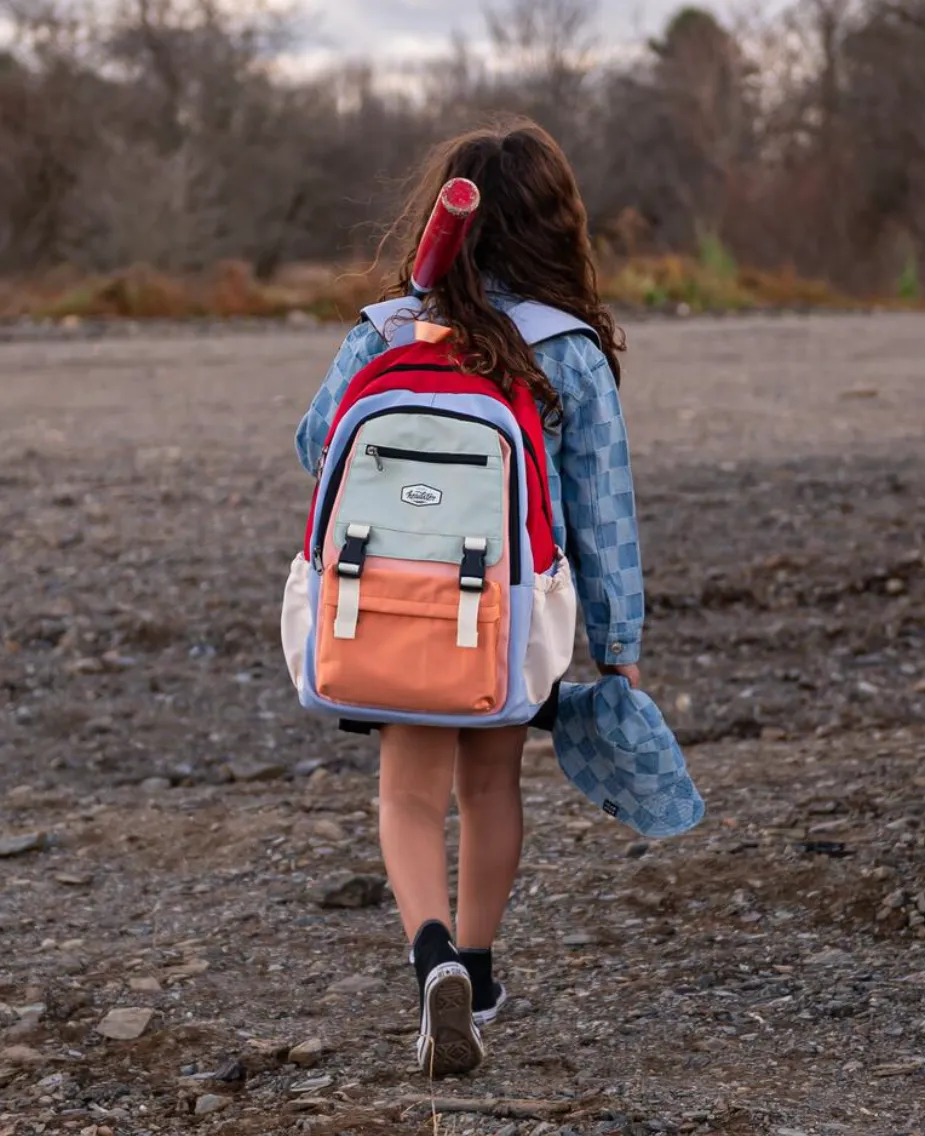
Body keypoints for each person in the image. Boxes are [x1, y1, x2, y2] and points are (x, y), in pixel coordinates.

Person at [294, 117, 644, 1076]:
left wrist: (412, 334)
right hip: (509, 609)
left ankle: (431, 957)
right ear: (554, 225)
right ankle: (480, 973)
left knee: (408, 795)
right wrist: (618, 645)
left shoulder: (388, 326)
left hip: (391, 602)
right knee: (490, 786)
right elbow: (602, 510)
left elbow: (316, 444)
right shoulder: (565, 350)